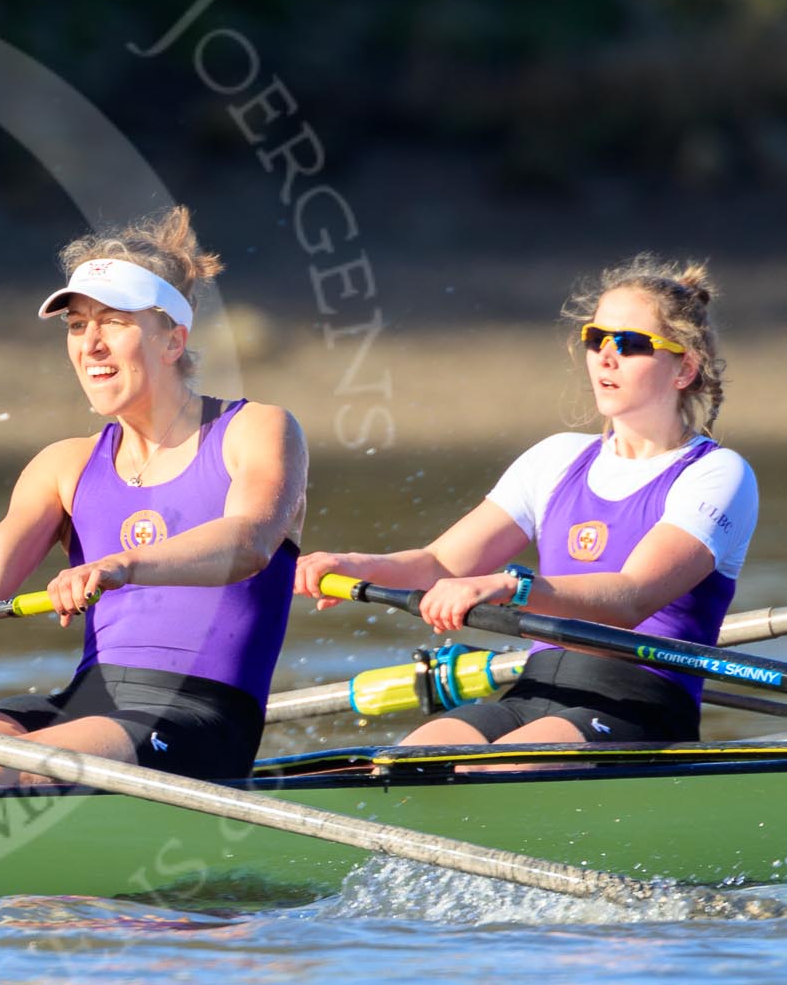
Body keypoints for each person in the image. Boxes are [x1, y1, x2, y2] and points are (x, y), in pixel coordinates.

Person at [0, 208, 307, 785]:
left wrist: (121, 565)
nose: (90, 344)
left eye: (113, 322)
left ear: (173, 340)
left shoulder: (256, 429)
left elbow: (249, 540)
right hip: (90, 701)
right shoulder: (64, 464)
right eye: (76, 325)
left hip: (201, 716)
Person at [298, 257, 755, 746]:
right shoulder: (555, 458)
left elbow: (630, 597)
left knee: (507, 766)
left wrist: (509, 587)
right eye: (596, 338)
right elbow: (441, 563)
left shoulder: (716, 474)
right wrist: (352, 562)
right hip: (532, 691)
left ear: (684, 367)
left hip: (641, 706)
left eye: (631, 344)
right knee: (403, 762)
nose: (606, 356)